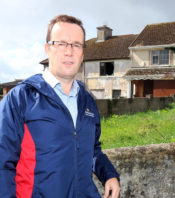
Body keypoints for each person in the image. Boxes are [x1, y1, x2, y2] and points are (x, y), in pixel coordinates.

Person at [0, 15, 120, 198]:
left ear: (82, 53)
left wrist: (109, 174)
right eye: (61, 43)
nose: (69, 51)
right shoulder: (20, 98)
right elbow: (2, 163)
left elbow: (92, 149)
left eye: (76, 45)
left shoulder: (87, 101)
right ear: (47, 49)